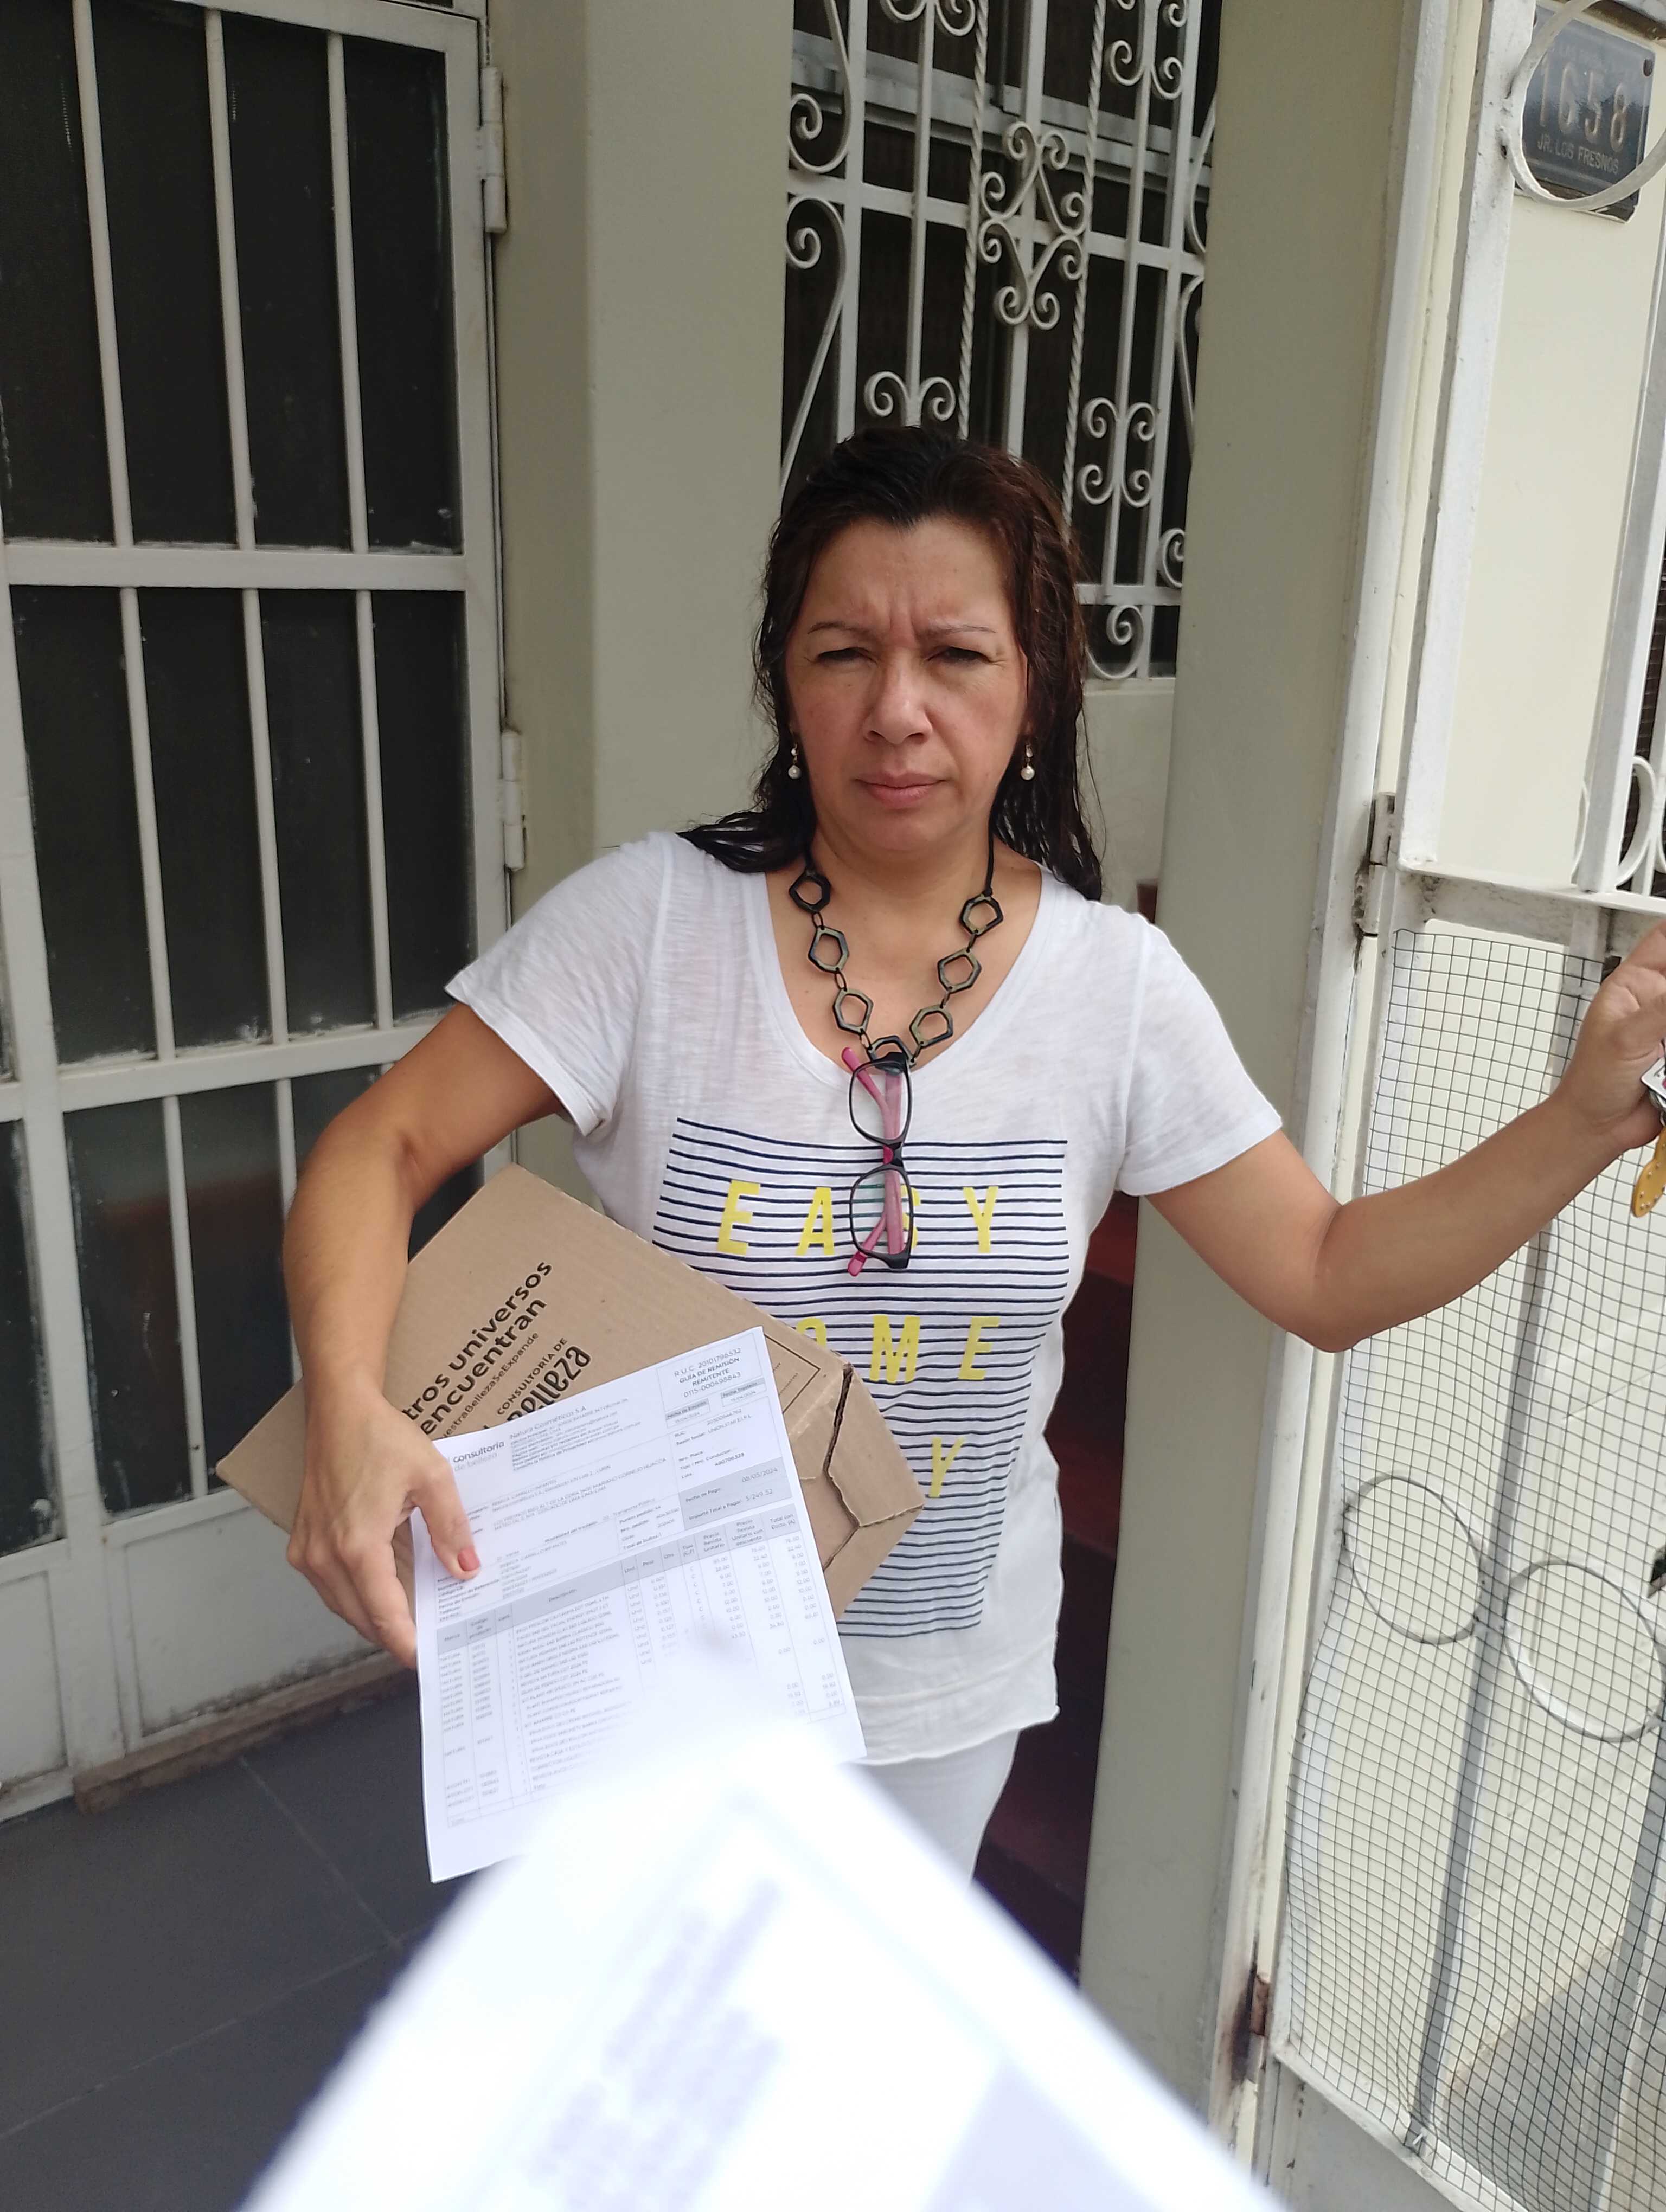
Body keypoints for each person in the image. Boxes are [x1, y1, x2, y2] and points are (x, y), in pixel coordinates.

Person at [283, 427, 1666, 1878]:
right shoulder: (648, 927)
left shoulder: (1115, 989)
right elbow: (380, 1146)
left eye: (955, 655)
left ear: (1035, 688)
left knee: (858, 2032)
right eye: (843, 654)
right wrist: (346, 1406)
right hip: (641, 1663)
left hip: (932, 1712)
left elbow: (1324, 1271)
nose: (898, 711)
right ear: (785, 679)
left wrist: (1586, 1116)